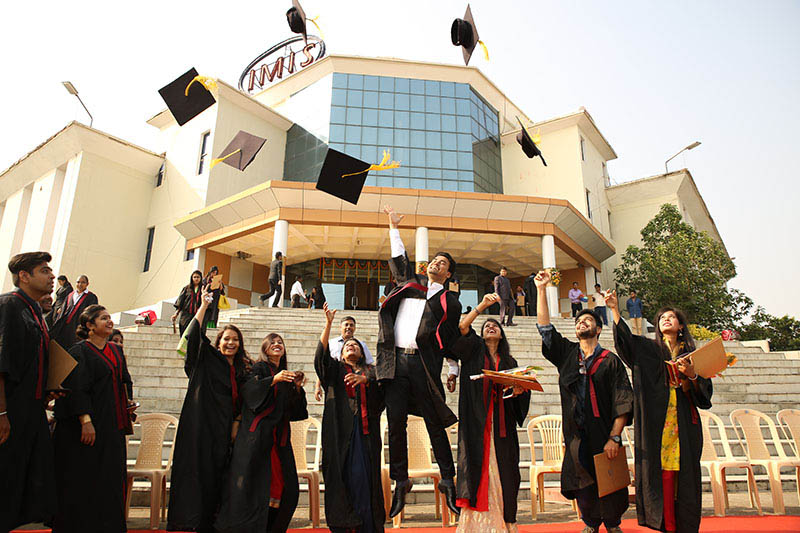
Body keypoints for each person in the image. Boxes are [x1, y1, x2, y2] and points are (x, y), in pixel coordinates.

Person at [378, 205, 461, 518]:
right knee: (395, 423)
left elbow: (449, 337)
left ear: (448, 274)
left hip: (424, 366)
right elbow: (400, 258)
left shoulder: (448, 301)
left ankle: (448, 480)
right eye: (435, 260)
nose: (436, 264)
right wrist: (393, 226)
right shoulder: (411, 285)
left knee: (434, 423)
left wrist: (453, 366)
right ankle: (401, 481)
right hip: (396, 362)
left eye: (443, 263)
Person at [535, 272, 633, 533]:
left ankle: (612, 523)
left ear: (598, 329)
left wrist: (614, 437)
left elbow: (623, 398)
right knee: (583, 482)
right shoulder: (567, 354)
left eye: (588, 320)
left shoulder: (610, 361)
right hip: (576, 432)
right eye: (579, 321)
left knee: (610, 480)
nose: (582, 323)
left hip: (603, 430)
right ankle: (590, 523)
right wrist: (541, 289)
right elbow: (545, 329)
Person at [608, 292, 712, 533]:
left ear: (680, 325)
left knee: (684, 477)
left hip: (684, 424)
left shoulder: (692, 356)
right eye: (662, 317)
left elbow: (705, 395)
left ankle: (684, 526)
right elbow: (625, 343)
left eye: (671, 317)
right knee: (661, 475)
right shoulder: (648, 349)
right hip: (657, 423)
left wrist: (692, 376)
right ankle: (667, 526)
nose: (666, 319)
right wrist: (614, 310)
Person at [167, 285, 250, 533]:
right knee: (198, 476)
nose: (231, 343)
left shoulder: (243, 369)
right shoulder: (206, 359)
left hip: (226, 433)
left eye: (235, 340)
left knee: (220, 479)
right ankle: (192, 523)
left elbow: (246, 400)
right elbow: (193, 336)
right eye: (227, 339)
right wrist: (203, 306)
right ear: (218, 342)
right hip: (201, 429)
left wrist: (236, 422)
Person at [450, 293, 530, 532]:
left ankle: (507, 521)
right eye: (487, 326)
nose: (491, 327)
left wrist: (519, 391)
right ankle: (477, 525)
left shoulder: (510, 362)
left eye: (495, 326)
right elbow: (462, 327)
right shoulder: (473, 350)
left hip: (502, 425)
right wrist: (483, 305)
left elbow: (519, 395)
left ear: (502, 334)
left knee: (507, 471)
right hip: (477, 422)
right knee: (476, 468)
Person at [52, 304, 134, 533]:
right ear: (89, 325)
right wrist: (85, 421)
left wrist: (128, 404)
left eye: (109, 318)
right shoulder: (79, 351)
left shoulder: (116, 351)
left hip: (113, 425)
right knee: (85, 479)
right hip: (90, 425)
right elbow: (78, 389)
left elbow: (125, 381)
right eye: (103, 318)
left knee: (111, 480)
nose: (109, 322)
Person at [215, 333, 308, 533]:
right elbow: (249, 394)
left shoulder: (285, 374)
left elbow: (294, 412)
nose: (277, 345)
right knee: (254, 488)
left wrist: (297, 389)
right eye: (272, 342)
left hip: (279, 439)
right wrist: (273, 380)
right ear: (265, 348)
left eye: (280, 342)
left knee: (286, 488)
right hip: (256, 438)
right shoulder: (257, 368)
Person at [0, 252, 58, 532]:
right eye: (44, 271)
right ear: (24, 276)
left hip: (32, 409)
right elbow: (2, 363)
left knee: (23, 484)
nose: (52, 276)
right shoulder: (10, 305)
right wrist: (1, 413)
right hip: (10, 410)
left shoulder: (35, 311)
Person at [315, 303, 385, 532]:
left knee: (365, 478)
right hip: (339, 432)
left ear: (362, 353)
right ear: (342, 353)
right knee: (344, 477)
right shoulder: (335, 371)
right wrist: (328, 324)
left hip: (366, 434)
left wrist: (367, 380)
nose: (351, 346)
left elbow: (383, 392)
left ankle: (367, 526)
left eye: (355, 345)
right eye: (347, 346)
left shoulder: (370, 372)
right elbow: (320, 359)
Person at [314, 315, 375, 402]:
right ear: (340, 327)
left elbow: (369, 367)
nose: (348, 327)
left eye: (351, 325)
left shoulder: (362, 345)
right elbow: (323, 363)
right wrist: (317, 386)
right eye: (346, 325)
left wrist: (366, 379)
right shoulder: (331, 343)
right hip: (336, 378)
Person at [50, 274, 99, 350]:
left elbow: (92, 314)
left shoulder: (91, 297)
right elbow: (63, 311)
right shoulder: (70, 295)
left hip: (77, 328)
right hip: (65, 327)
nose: (80, 284)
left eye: (83, 282)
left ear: (87, 284)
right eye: (78, 282)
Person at [172, 270, 203, 336]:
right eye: (194, 277)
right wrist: (176, 314)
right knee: (184, 334)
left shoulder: (203, 289)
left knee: (195, 334)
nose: (196, 279)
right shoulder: (186, 288)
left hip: (197, 315)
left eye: (198, 277)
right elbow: (180, 302)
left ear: (201, 278)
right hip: (186, 315)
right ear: (192, 278)